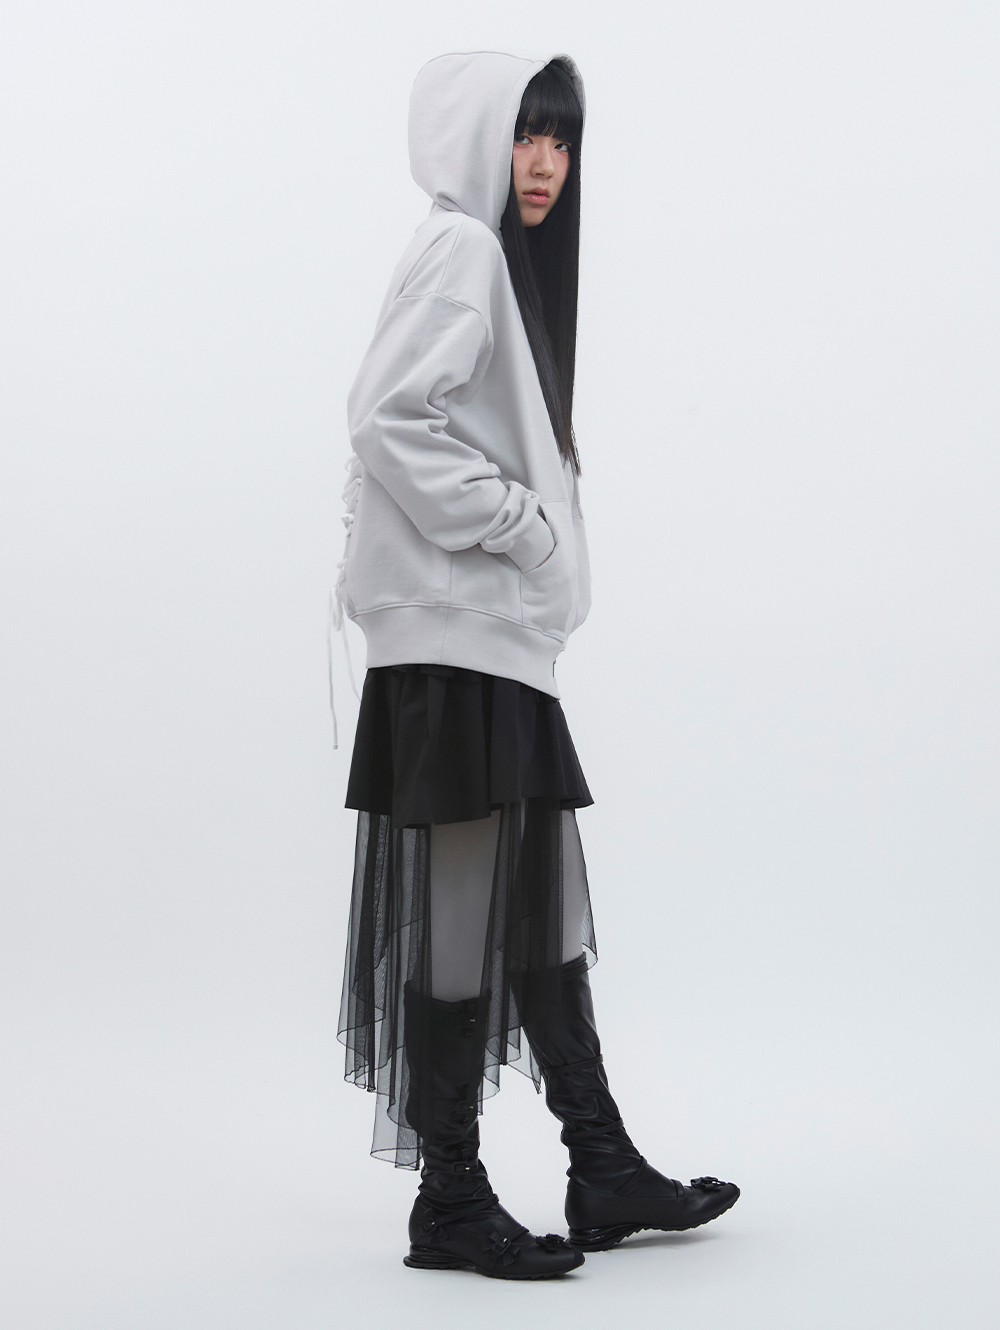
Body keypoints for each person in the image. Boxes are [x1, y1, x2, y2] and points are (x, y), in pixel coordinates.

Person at [334, 50, 739, 1281]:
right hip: (456, 645)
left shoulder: (497, 266)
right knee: (463, 920)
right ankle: (449, 1195)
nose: (547, 162)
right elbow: (386, 415)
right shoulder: (462, 248)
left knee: (546, 910)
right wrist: (518, 523)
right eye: (525, 135)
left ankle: (598, 1160)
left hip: (493, 647)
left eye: (562, 140)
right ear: (479, 138)